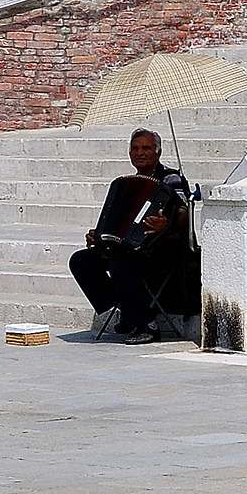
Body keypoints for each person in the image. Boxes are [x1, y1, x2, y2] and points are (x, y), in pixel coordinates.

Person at [68, 128, 190, 344]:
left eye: (146, 148)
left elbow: (183, 212)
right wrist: (100, 235)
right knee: (81, 261)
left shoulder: (171, 178)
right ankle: (128, 309)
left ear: (158, 152)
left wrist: (166, 224)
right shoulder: (127, 184)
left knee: (120, 264)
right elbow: (116, 222)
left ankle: (147, 325)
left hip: (163, 248)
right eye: (135, 148)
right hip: (129, 248)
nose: (140, 152)